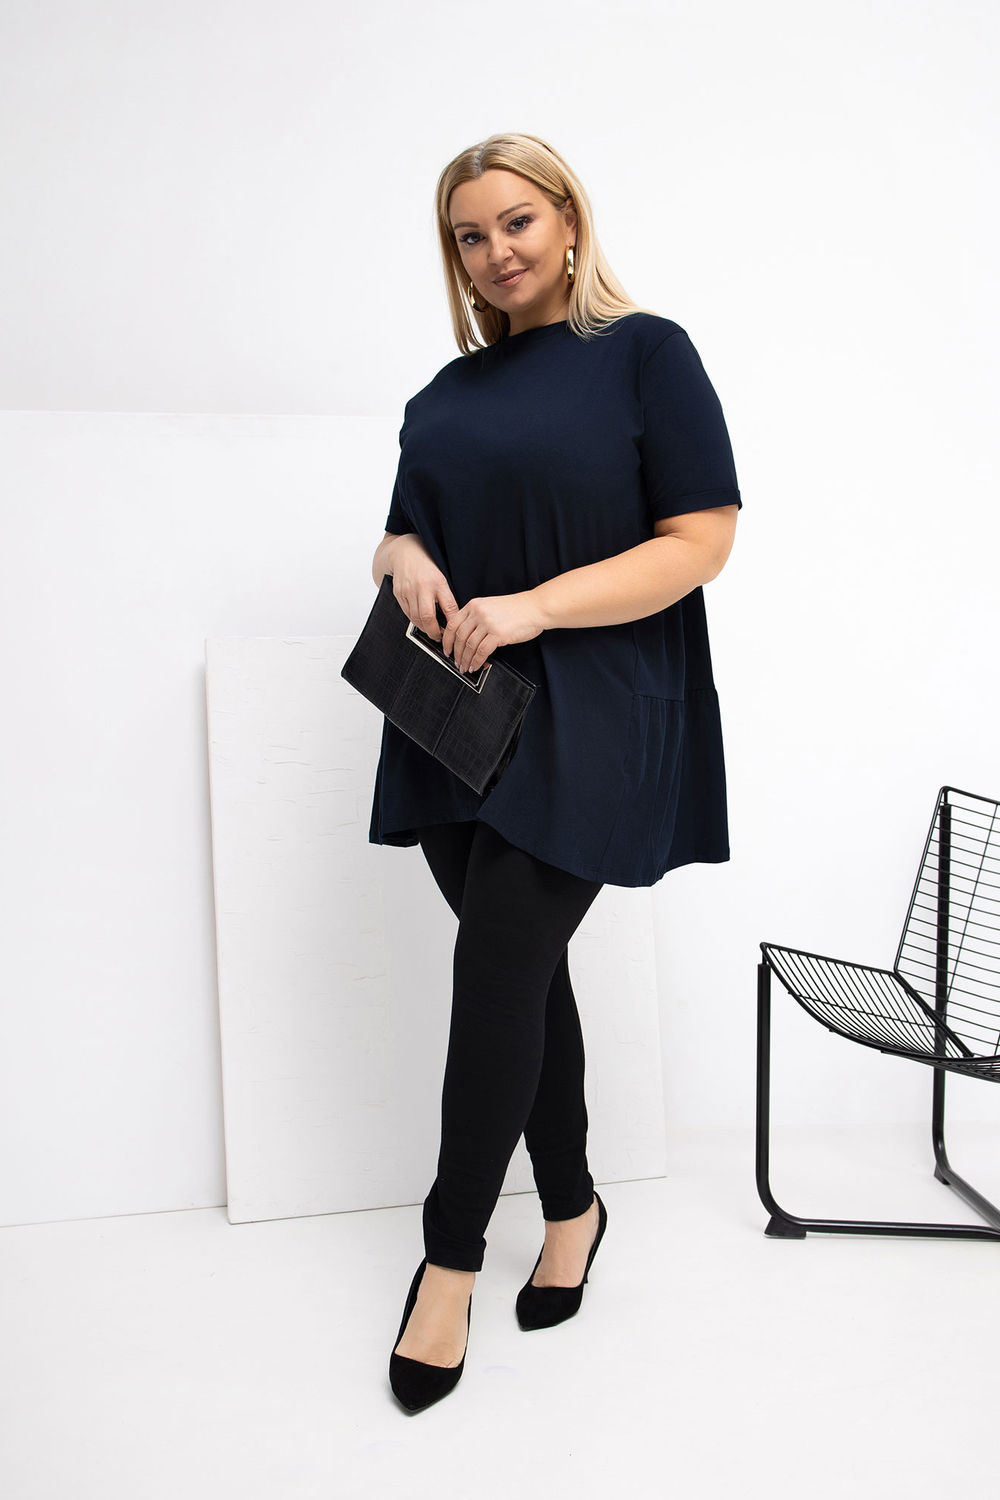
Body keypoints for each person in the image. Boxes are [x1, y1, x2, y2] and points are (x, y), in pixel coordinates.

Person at [370, 132, 742, 1413]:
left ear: (570, 220)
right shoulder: (443, 394)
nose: (496, 252)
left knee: (495, 968)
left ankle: (448, 1261)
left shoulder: (646, 353)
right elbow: (405, 525)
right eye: (469, 236)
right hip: (454, 707)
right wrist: (397, 557)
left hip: (595, 702)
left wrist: (532, 606)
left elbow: (700, 541)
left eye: (517, 222)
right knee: (520, 972)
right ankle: (573, 1206)